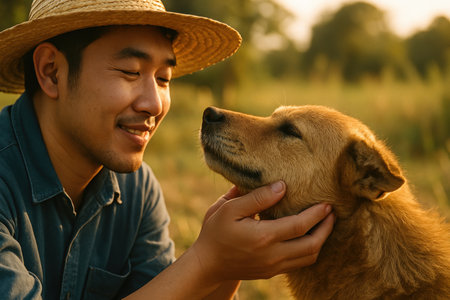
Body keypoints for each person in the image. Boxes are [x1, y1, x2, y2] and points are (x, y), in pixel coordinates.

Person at [0, 0, 335, 299]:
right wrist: (206, 260)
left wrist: (228, 266)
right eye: (130, 72)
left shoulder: (137, 189)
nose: (154, 104)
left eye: (163, 78)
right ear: (51, 72)